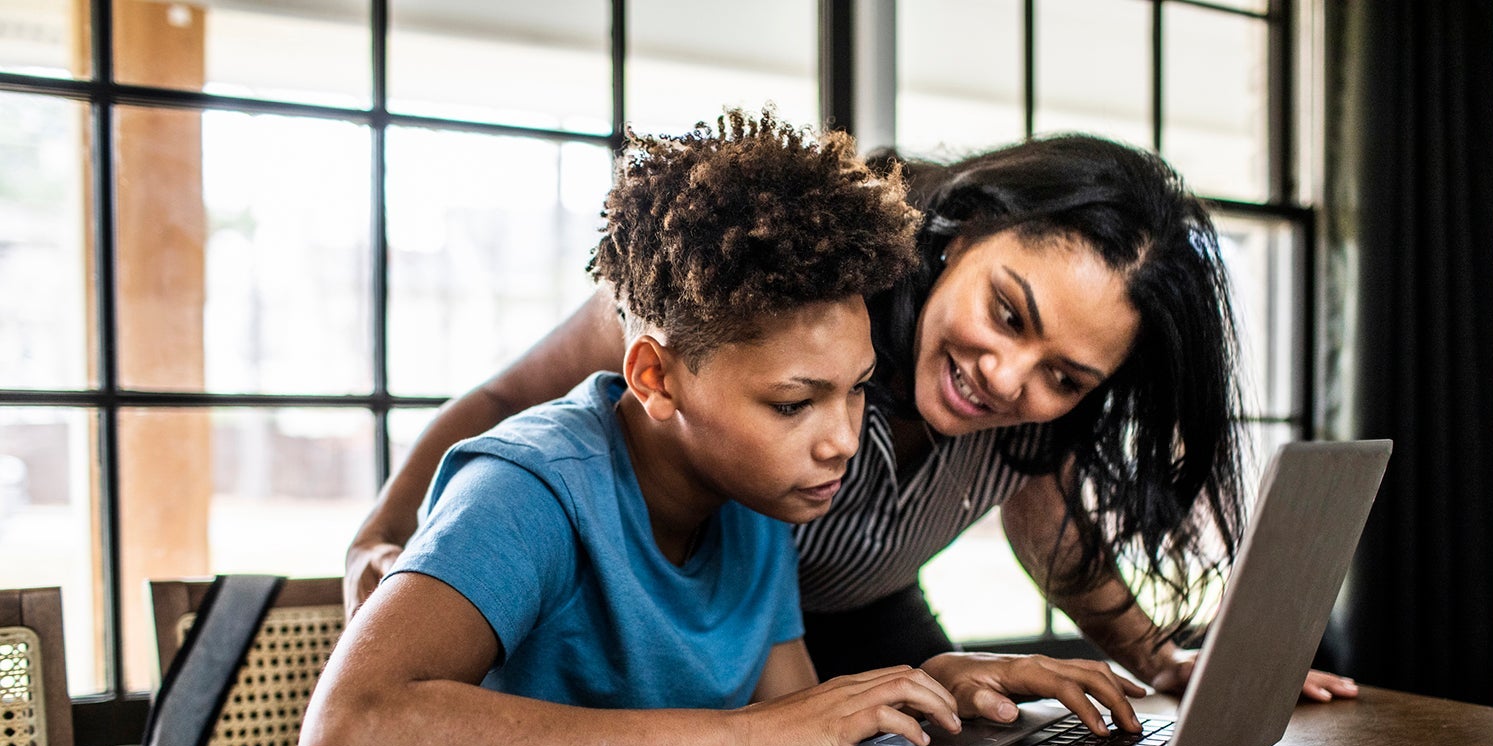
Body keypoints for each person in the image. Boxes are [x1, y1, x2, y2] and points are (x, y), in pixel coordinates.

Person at [298, 110, 1147, 746]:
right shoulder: (527, 489)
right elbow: (346, 740)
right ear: (655, 377)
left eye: (857, 393)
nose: (845, 442)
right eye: (793, 403)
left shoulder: (756, 501)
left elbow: (799, 719)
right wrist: (742, 737)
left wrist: (932, 686)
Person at [344, 130, 1357, 716]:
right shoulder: (771, 293)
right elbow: (503, 406)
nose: (1005, 379)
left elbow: (1053, 532)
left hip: (829, 605)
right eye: (1006, 312)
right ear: (959, 232)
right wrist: (382, 533)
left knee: (930, 741)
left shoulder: (1016, 422)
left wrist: (1163, 658)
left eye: (1064, 375)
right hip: (710, 602)